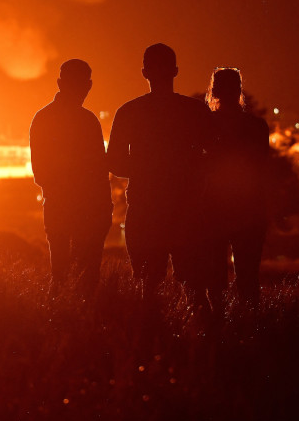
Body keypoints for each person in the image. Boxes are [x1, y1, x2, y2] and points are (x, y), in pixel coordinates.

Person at [107, 43, 213, 306]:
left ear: (144, 72)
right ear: (175, 71)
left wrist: (145, 167)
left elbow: (115, 162)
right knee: (195, 286)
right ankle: (206, 339)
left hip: (146, 207)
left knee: (148, 285)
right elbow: (214, 157)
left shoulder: (129, 112)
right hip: (187, 209)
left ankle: (147, 337)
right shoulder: (195, 111)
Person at [29, 59, 113, 293]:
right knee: (82, 279)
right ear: (89, 85)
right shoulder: (87, 121)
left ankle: (64, 320)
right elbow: (99, 170)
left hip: (62, 209)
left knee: (63, 277)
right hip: (81, 210)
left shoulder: (43, 118)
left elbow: (41, 173)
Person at [203, 68, 270, 306]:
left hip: (212, 209)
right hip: (249, 209)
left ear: (214, 91)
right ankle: (249, 324)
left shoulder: (205, 125)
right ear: (239, 90)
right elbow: (262, 169)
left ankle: (217, 324)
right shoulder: (257, 126)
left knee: (214, 275)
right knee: (248, 275)